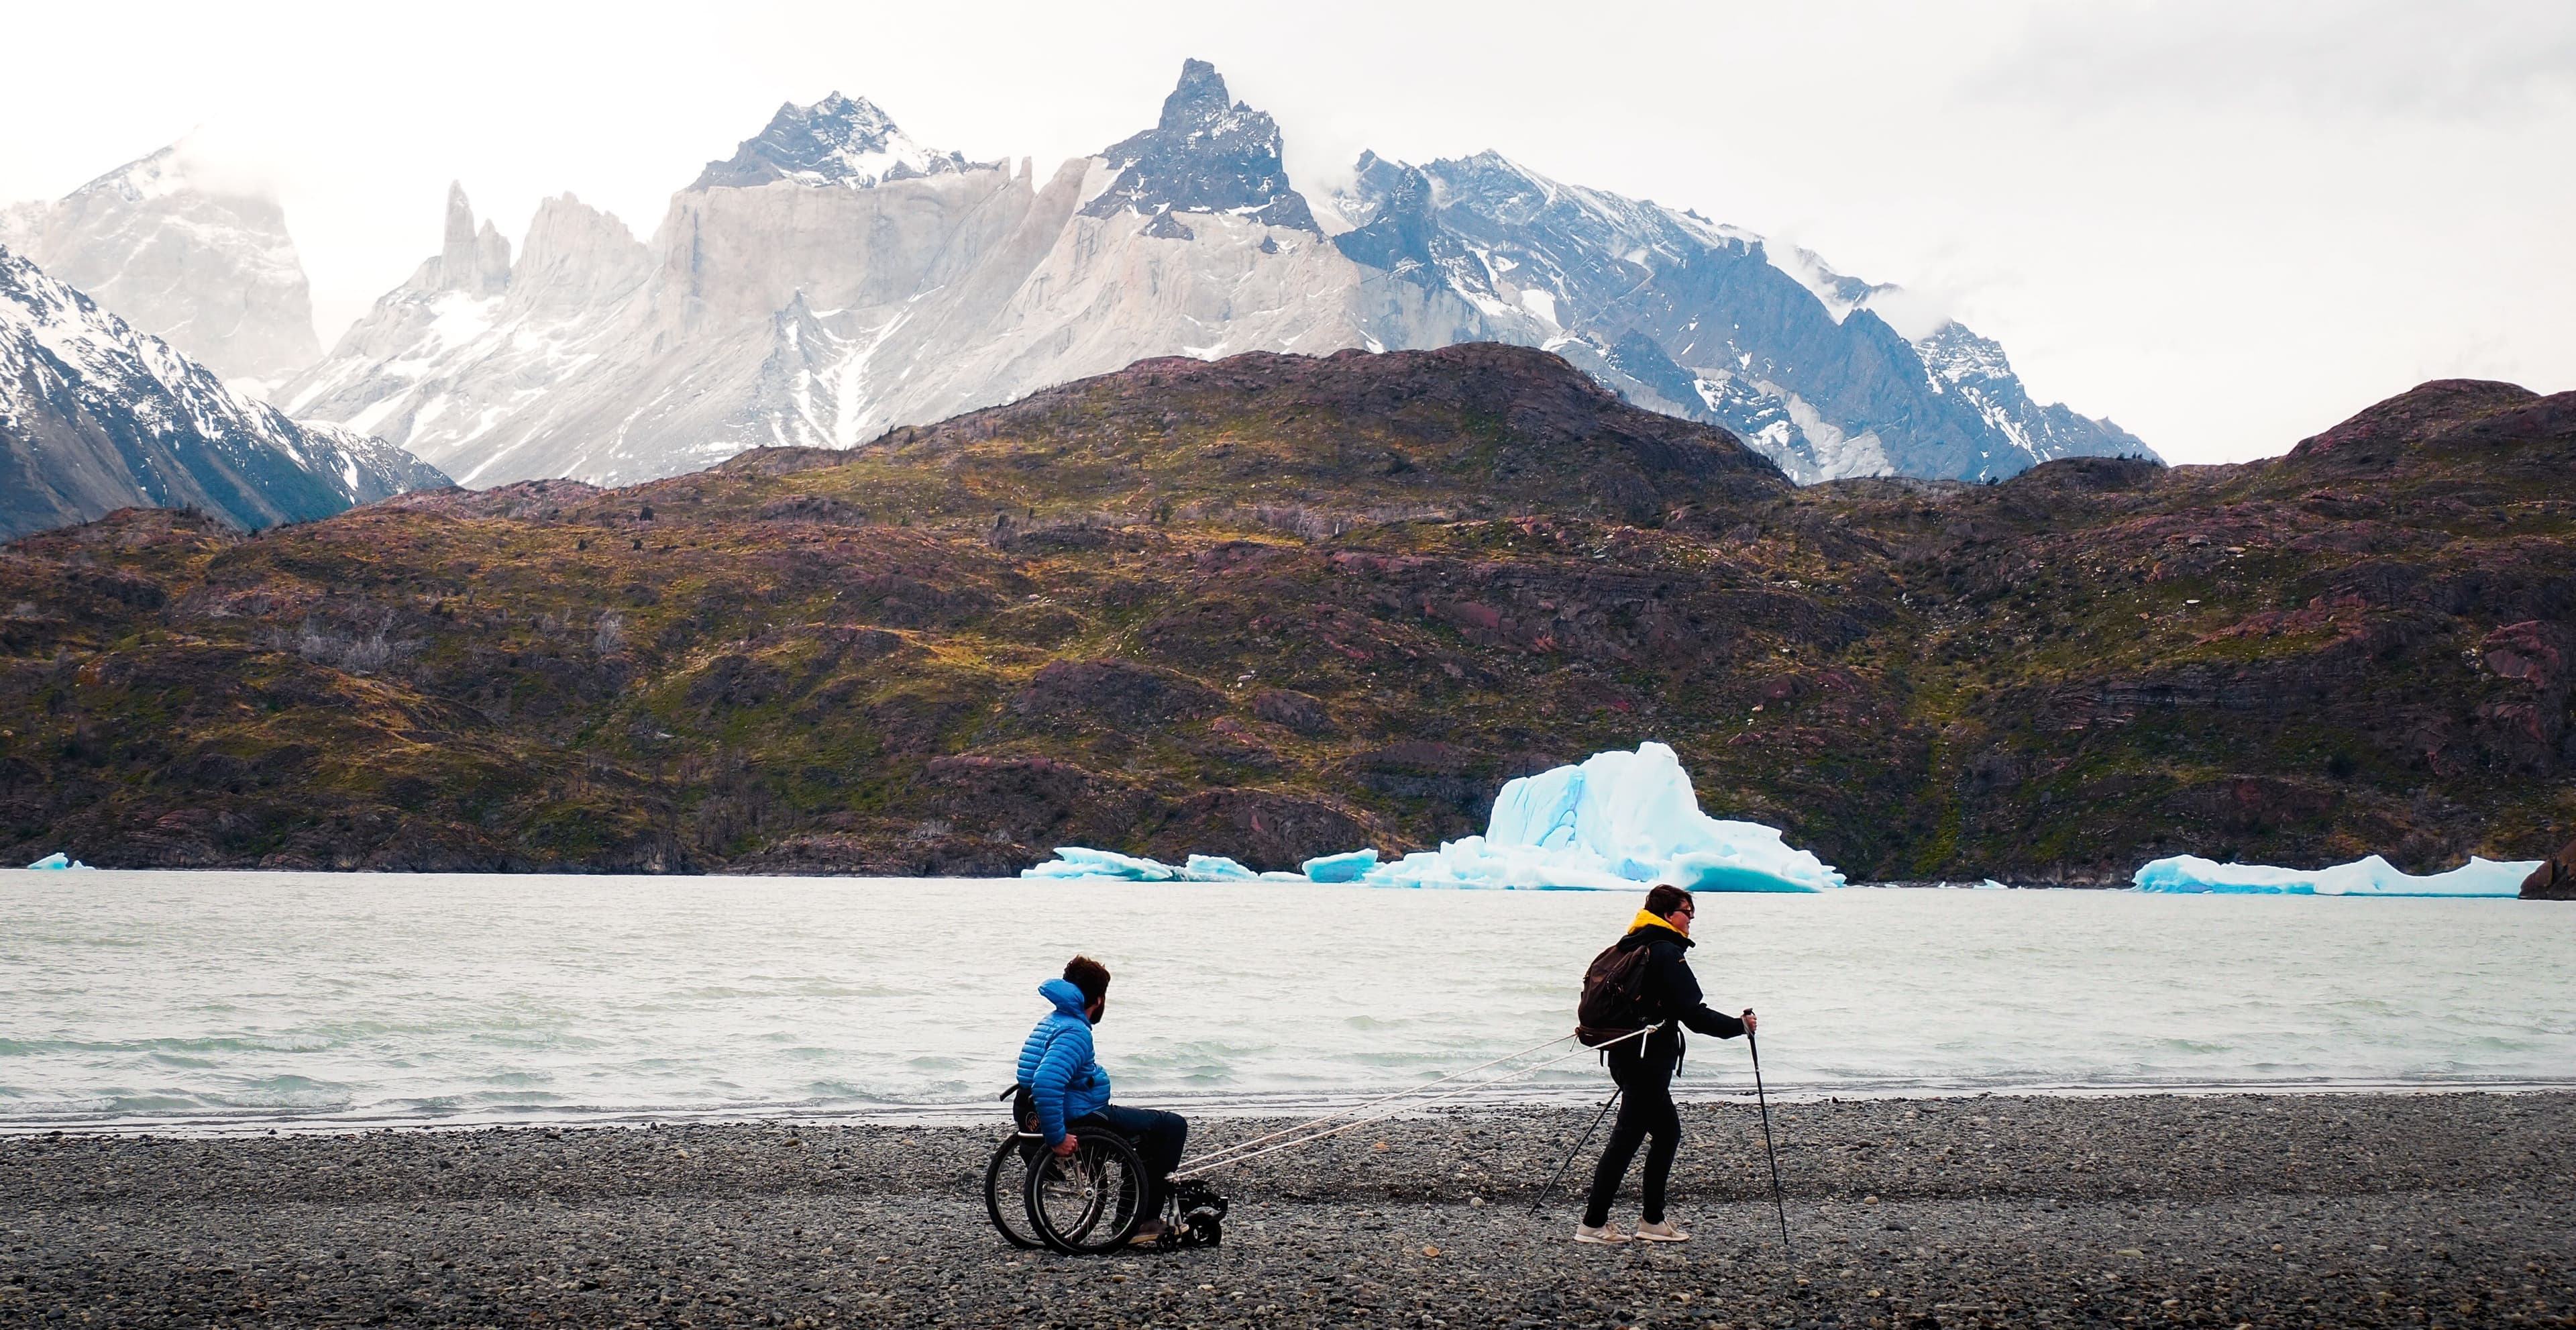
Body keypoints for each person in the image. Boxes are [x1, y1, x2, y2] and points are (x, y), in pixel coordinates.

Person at [1576, 883, 1756, 1245]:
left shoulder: (1629, 945)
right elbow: (1693, 1015)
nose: (1690, 920)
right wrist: (1739, 1027)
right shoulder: (1664, 951)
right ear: (1666, 915)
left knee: (1667, 1133)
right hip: (1647, 1062)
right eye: (1686, 912)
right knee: (1625, 1140)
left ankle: (1652, 1221)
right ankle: (1593, 1225)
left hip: (1624, 1055)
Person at [1017, 954, 1189, 1243]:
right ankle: (1141, 1220)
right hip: (1080, 1116)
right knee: (1171, 1126)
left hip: (1039, 1109)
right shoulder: (1075, 1031)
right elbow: (1046, 1082)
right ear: (1098, 1000)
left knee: (1144, 1133)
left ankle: (1131, 1214)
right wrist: (1058, 1137)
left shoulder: (1054, 1020)